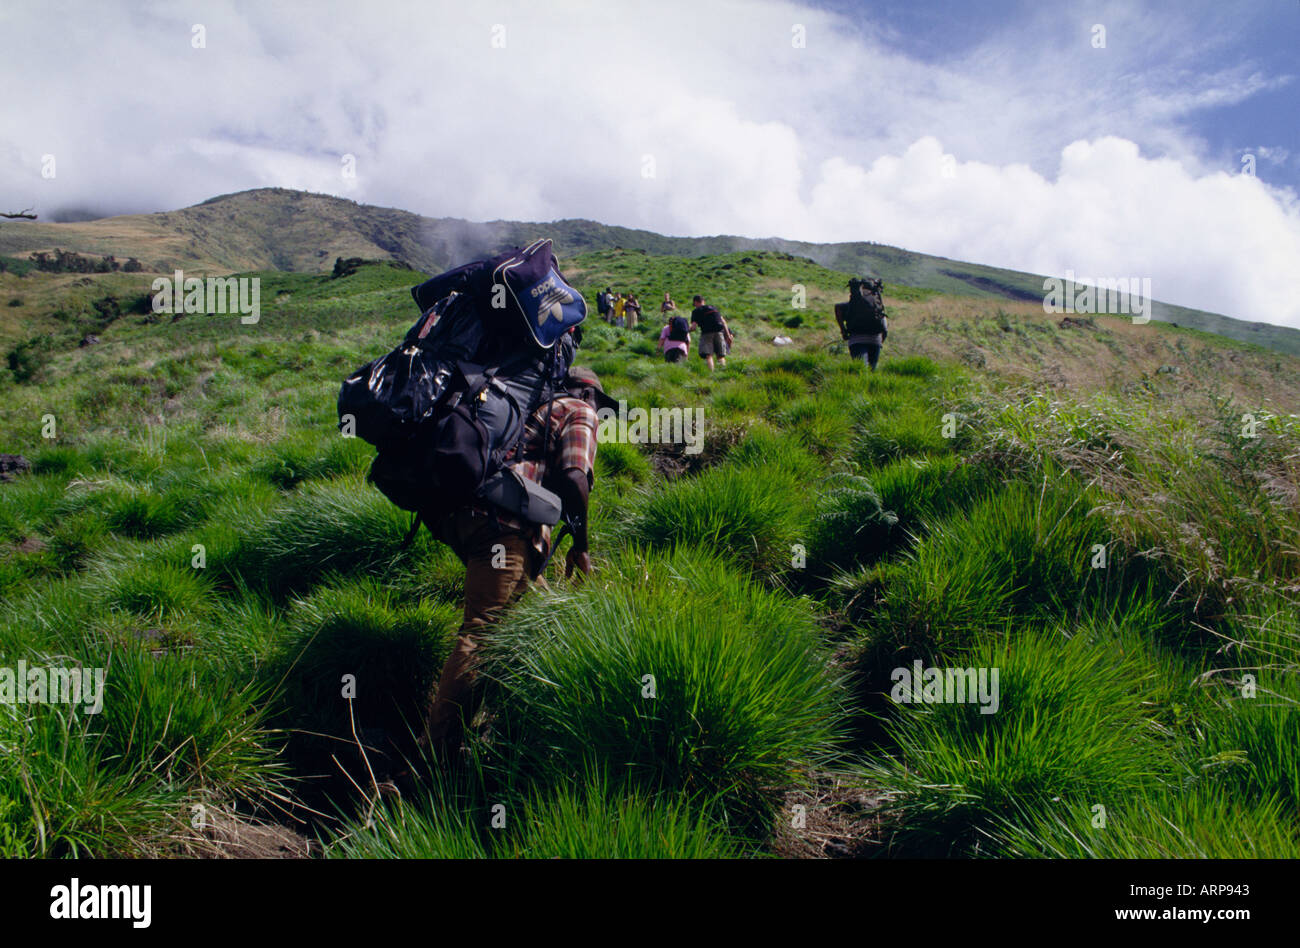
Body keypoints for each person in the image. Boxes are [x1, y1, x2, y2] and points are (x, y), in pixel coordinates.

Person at [422, 364, 616, 761]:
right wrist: (580, 546)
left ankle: (519, 720)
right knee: (483, 632)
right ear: (587, 392)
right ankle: (434, 757)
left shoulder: (522, 409)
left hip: (462, 518)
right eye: (598, 398)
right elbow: (575, 477)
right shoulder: (579, 409)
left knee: (543, 615)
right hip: (502, 528)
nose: (599, 407)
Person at [835, 277, 888, 371]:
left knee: (860, 370)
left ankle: (857, 385)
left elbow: (837, 307)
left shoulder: (853, 304)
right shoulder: (876, 303)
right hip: (875, 340)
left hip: (856, 340)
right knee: (871, 370)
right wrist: (881, 341)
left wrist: (843, 331)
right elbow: (885, 328)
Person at [689, 294, 733, 370]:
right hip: (719, 332)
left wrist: (685, 330)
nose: (695, 306)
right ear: (703, 301)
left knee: (708, 355)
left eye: (694, 304)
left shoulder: (696, 311)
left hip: (707, 333)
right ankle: (723, 371)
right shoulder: (714, 308)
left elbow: (693, 327)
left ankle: (711, 372)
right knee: (720, 355)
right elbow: (723, 322)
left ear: (696, 302)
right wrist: (728, 335)